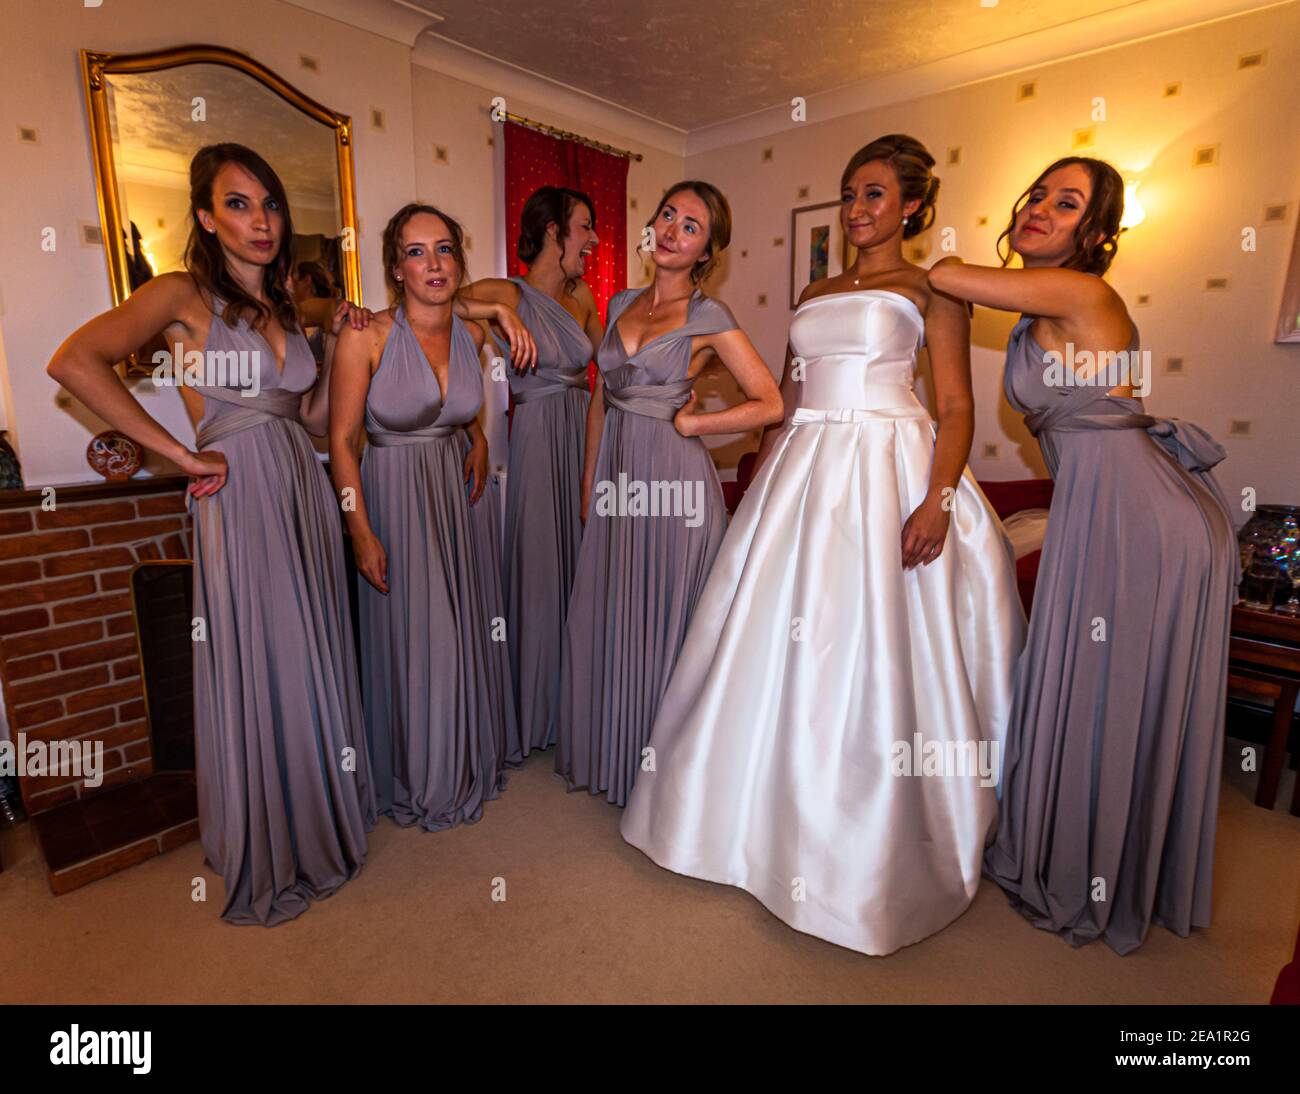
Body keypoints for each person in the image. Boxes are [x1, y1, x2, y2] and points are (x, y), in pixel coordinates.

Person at [621, 136, 1026, 956]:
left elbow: (954, 406)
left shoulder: (931, 285)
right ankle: (733, 824)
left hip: (889, 465)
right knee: (760, 642)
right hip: (804, 469)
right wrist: (759, 482)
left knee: (865, 648)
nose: (856, 210)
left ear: (910, 205)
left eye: (873, 195)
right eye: (848, 195)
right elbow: (787, 394)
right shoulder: (814, 288)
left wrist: (937, 499)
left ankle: (857, 851)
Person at [47, 142, 374, 925]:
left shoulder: (288, 309)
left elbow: (313, 420)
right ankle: (270, 838)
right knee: (259, 651)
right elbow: (73, 360)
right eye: (238, 203)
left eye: (269, 204)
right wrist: (176, 453)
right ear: (204, 216)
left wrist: (338, 354)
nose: (260, 220)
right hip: (236, 489)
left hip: (300, 483)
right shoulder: (178, 294)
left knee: (309, 646)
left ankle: (319, 817)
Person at [929, 155, 1238, 954]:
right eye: (1036, 193)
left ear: (1094, 234)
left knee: (1112, 692)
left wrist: (936, 293)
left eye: (1066, 204)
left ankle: (1096, 872)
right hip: (1101, 513)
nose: (1039, 208)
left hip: (1143, 524)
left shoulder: (1083, 293)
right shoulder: (1040, 316)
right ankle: (1093, 856)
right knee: (1090, 685)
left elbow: (947, 273)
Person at [557, 180, 784, 807]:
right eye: (667, 216)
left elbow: (771, 402)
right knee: (614, 608)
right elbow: (603, 395)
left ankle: (667, 779)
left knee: (667, 616)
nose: (671, 231)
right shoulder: (622, 300)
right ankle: (616, 751)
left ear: (707, 250)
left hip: (675, 483)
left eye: (690, 226)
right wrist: (589, 477)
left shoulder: (711, 317)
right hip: (617, 479)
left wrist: (696, 423)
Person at [329, 203, 523, 830]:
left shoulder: (472, 334)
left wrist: (478, 437)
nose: (433, 263)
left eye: (444, 249)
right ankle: (424, 772)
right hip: (394, 493)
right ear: (396, 267)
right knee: (420, 635)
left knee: (462, 624)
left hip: (455, 495)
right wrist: (359, 530)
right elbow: (341, 440)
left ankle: (466, 752)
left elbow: (456, 399)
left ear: (458, 261)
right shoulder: (368, 335)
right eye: (416, 251)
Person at [459, 186, 603, 755]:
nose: (592, 239)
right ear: (553, 230)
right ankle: (534, 708)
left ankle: (573, 701)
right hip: (539, 436)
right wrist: (496, 312)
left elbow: (614, 365)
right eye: (585, 226)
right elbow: (433, 302)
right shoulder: (506, 292)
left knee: (580, 563)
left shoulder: (585, 296)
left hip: (584, 436)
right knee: (541, 567)